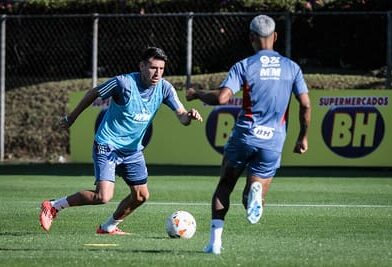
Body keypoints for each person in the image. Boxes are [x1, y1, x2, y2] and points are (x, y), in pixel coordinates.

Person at [39, 47, 203, 234]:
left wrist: (188, 116)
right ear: (141, 66)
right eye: (152, 67)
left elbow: (182, 116)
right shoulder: (123, 83)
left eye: (161, 69)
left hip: (132, 150)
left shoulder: (165, 88)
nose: (157, 73)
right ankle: (53, 205)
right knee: (103, 196)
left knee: (141, 196)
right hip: (107, 145)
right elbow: (93, 93)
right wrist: (71, 118)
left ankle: (108, 226)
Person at [186, 14, 311, 254]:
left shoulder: (244, 65)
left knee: (225, 185)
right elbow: (305, 105)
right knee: (254, 197)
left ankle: (215, 243)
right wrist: (302, 137)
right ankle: (254, 191)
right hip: (274, 139)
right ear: (275, 36)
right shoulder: (291, 67)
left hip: (246, 134)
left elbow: (222, 98)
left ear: (251, 38)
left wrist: (198, 94)